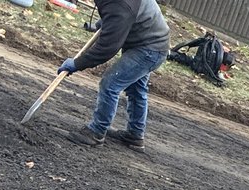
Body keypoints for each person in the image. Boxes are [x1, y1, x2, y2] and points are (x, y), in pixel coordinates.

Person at [58, 0, 170, 151]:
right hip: (147, 42)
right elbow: (123, 14)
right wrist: (108, 20)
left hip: (150, 49)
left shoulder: (120, 5)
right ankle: (135, 135)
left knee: (110, 84)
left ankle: (96, 133)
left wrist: (77, 64)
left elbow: (106, 48)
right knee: (136, 89)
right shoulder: (117, 6)